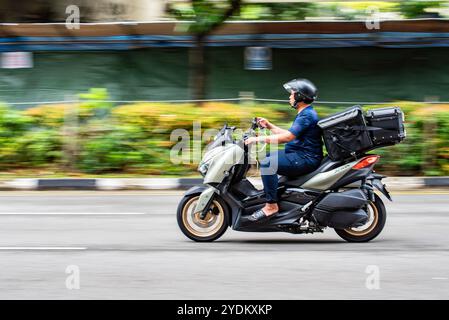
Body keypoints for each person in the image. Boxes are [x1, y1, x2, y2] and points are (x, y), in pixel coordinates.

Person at [243, 78, 323, 223]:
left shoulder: (307, 115)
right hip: (299, 154)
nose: (289, 96)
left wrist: (258, 139)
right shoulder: (306, 113)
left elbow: (287, 137)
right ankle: (279, 195)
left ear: (299, 97)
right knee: (268, 157)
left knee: (268, 163)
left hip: (305, 158)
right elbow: (290, 134)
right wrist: (269, 126)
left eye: (292, 94)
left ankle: (271, 206)